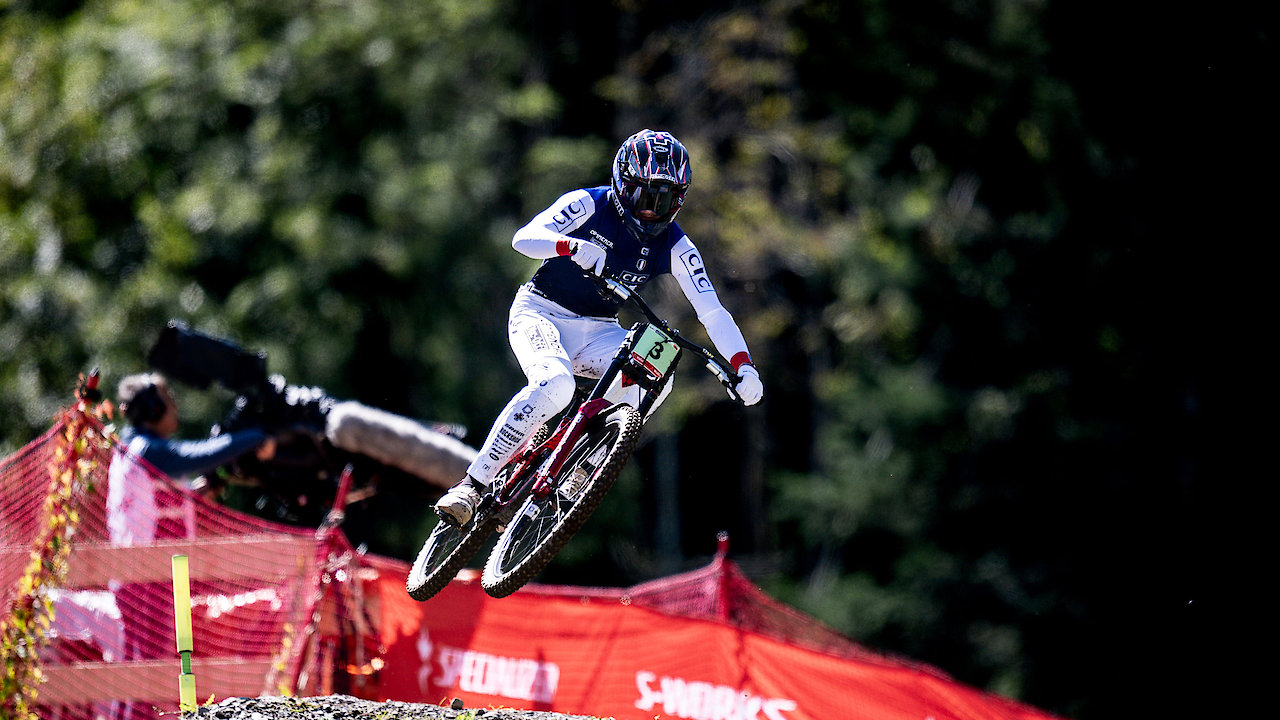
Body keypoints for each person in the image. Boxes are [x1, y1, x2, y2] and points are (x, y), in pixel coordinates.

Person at [435, 129, 763, 526]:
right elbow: (524, 238)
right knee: (556, 385)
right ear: (621, 186)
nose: (649, 211)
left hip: (599, 328)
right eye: (642, 196)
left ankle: (582, 466)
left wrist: (743, 365)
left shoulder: (677, 245)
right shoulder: (588, 204)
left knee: (657, 375)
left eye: (663, 201)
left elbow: (712, 312)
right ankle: (472, 485)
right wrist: (569, 246)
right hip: (540, 312)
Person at [106, 372, 278, 673]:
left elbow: (159, 501)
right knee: (151, 676)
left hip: (146, 581)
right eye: (167, 399)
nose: (174, 406)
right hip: (148, 585)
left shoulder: (131, 450)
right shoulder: (149, 450)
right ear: (152, 410)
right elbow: (199, 455)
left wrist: (203, 490)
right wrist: (255, 437)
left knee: (151, 672)